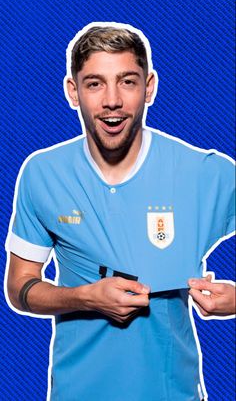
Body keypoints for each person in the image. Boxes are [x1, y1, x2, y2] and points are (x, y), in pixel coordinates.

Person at [5, 23, 235, 401]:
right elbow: (19, 287)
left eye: (127, 81)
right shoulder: (42, 173)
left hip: (171, 393)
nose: (112, 100)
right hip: (76, 392)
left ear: (149, 87)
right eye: (95, 83)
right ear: (72, 92)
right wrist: (84, 298)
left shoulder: (204, 172)